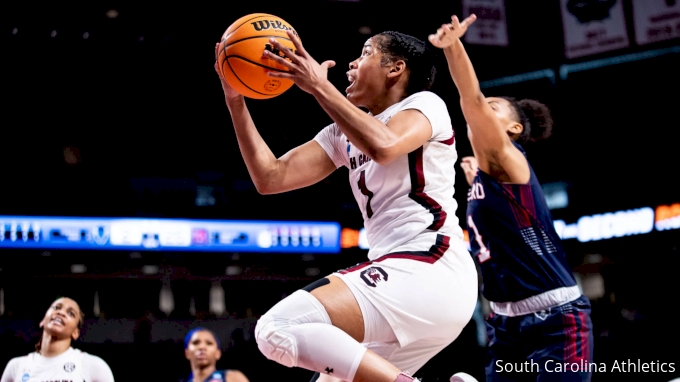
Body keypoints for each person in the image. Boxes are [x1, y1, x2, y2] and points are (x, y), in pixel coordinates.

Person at [214, 28, 478, 382]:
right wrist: (236, 100)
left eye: (365, 52)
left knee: (277, 328)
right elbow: (270, 177)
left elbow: (384, 146)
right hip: (402, 282)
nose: (352, 62)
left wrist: (319, 87)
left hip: (430, 267)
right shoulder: (341, 133)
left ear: (395, 69)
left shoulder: (424, 104)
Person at [429, 14, 594, 382]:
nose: (482, 111)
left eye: (494, 107)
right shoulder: (488, 175)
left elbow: (470, 100)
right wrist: (475, 179)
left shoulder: (509, 158)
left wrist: (453, 46)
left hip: (556, 318)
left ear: (513, 128)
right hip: (504, 320)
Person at [0, 297, 115, 382]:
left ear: (75, 333)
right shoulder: (16, 366)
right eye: (56, 307)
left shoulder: (94, 366)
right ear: (43, 321)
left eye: (71, 313)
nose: (61, 312)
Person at [181, 327, 249, 382]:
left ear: (218, 353)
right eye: (196, 343)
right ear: (187, 353)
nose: (202, 347)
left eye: (209, 343)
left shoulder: (233, 377)